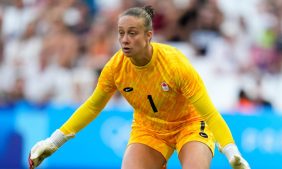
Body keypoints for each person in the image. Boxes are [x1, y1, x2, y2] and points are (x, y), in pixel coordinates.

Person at [29, 6, 250, 169]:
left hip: (189, 124)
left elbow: (210, 114)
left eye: (132, 33)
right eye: (121, 33)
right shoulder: (115, 68)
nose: (124, 40)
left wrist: (231, 152)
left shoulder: (175, 65)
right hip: (149, 129)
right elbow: (92, 107)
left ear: (148, 36)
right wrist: (53, 142)